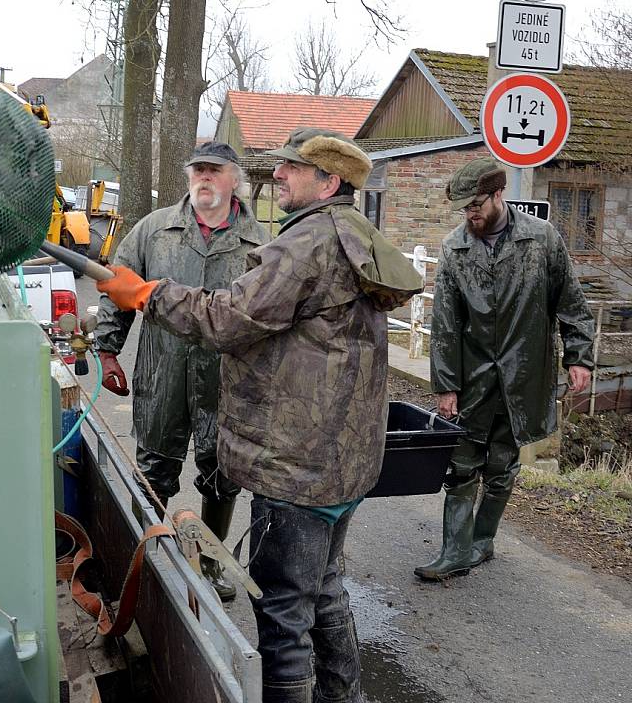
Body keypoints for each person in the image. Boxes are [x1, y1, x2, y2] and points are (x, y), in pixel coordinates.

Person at [96, 127, 423, 703]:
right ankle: (341, 696)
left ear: (329, 182)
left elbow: (228, 319)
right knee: (323, 589)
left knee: (282, 611)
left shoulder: (304, 243)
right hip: (341, 461)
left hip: (297, 464)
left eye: (293, 170)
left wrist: (149, 295)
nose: (280, 176)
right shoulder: (355, 233)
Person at [93, 141, 270, 602]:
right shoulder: (155, 230)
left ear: (235, 179)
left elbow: (271, 315)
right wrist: (108, 351)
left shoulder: (261, 243)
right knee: (153, 467)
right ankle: (141, 555)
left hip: (227, 379)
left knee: (223, 473)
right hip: (162, 370)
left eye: (213, 171)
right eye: (196, 171)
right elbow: (117, 284)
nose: (203, 179)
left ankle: (210, 565)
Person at [415, 156, 594, 582]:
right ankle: (454, 550)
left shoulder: (541, 239)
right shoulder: (455, 248)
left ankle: (482, 540)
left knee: (502, 464)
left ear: (498, 195)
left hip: (525, 373)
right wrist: (445, 384)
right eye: (464, 208)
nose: (470, 213)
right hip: (472, 376)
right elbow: (444, 323)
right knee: (459, 465)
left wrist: (579, 357)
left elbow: (569, 301)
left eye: (476, 204)